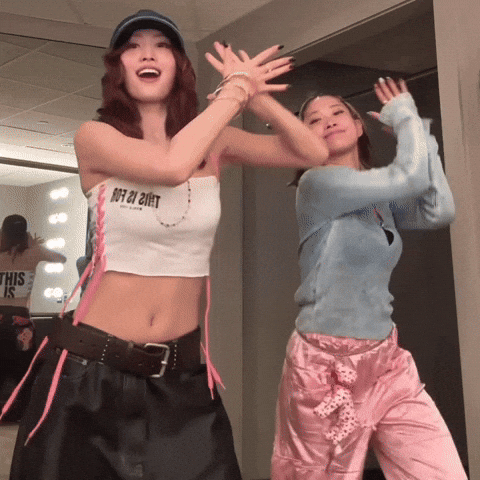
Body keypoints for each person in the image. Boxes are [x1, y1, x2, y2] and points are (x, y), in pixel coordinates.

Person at [1, 9, 329, 480]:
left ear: (179, 66)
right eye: (133, 46)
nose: (147, 54)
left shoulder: (214, 141)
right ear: (118, 67)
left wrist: (258, 100)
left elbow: (312, 152)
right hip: (90, 370)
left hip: (181, 377)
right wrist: (235, 92)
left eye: (162, 46)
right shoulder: (95, 137)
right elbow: (172, 166)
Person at [271, 78, 468, 479]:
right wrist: (407, 121)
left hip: (385, 362)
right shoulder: (316, 184)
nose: (328, 121)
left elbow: (439, 210)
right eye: (313, 120)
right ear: (301, 140)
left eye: (337, 112)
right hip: (325, 368)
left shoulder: (378, 199)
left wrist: (418, 132)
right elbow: (409, 179)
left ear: (359, 126)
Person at [0, 214, 66, 419]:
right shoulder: (34, 252)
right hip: (21, 321)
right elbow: (61, 258)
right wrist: (34, 244)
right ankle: (19, 412)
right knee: (23, 369)